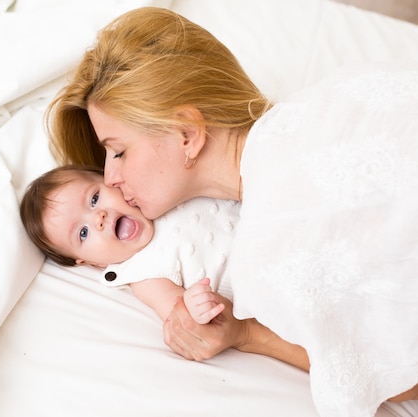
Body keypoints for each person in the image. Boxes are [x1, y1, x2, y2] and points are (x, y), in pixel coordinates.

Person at [44, 6, 418, 416]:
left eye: (118, 151)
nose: (109, 177)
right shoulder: (343, 86)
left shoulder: (272, 248)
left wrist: (246, 334)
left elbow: (399, 376)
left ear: (187, 134)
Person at [20, 164, 240, 324]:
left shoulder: (158, 191)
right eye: (83, 233)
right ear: (91, 262)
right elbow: (178, 316)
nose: (99, 218)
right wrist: (194, 306)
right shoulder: (145, 274)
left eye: (95, 199)